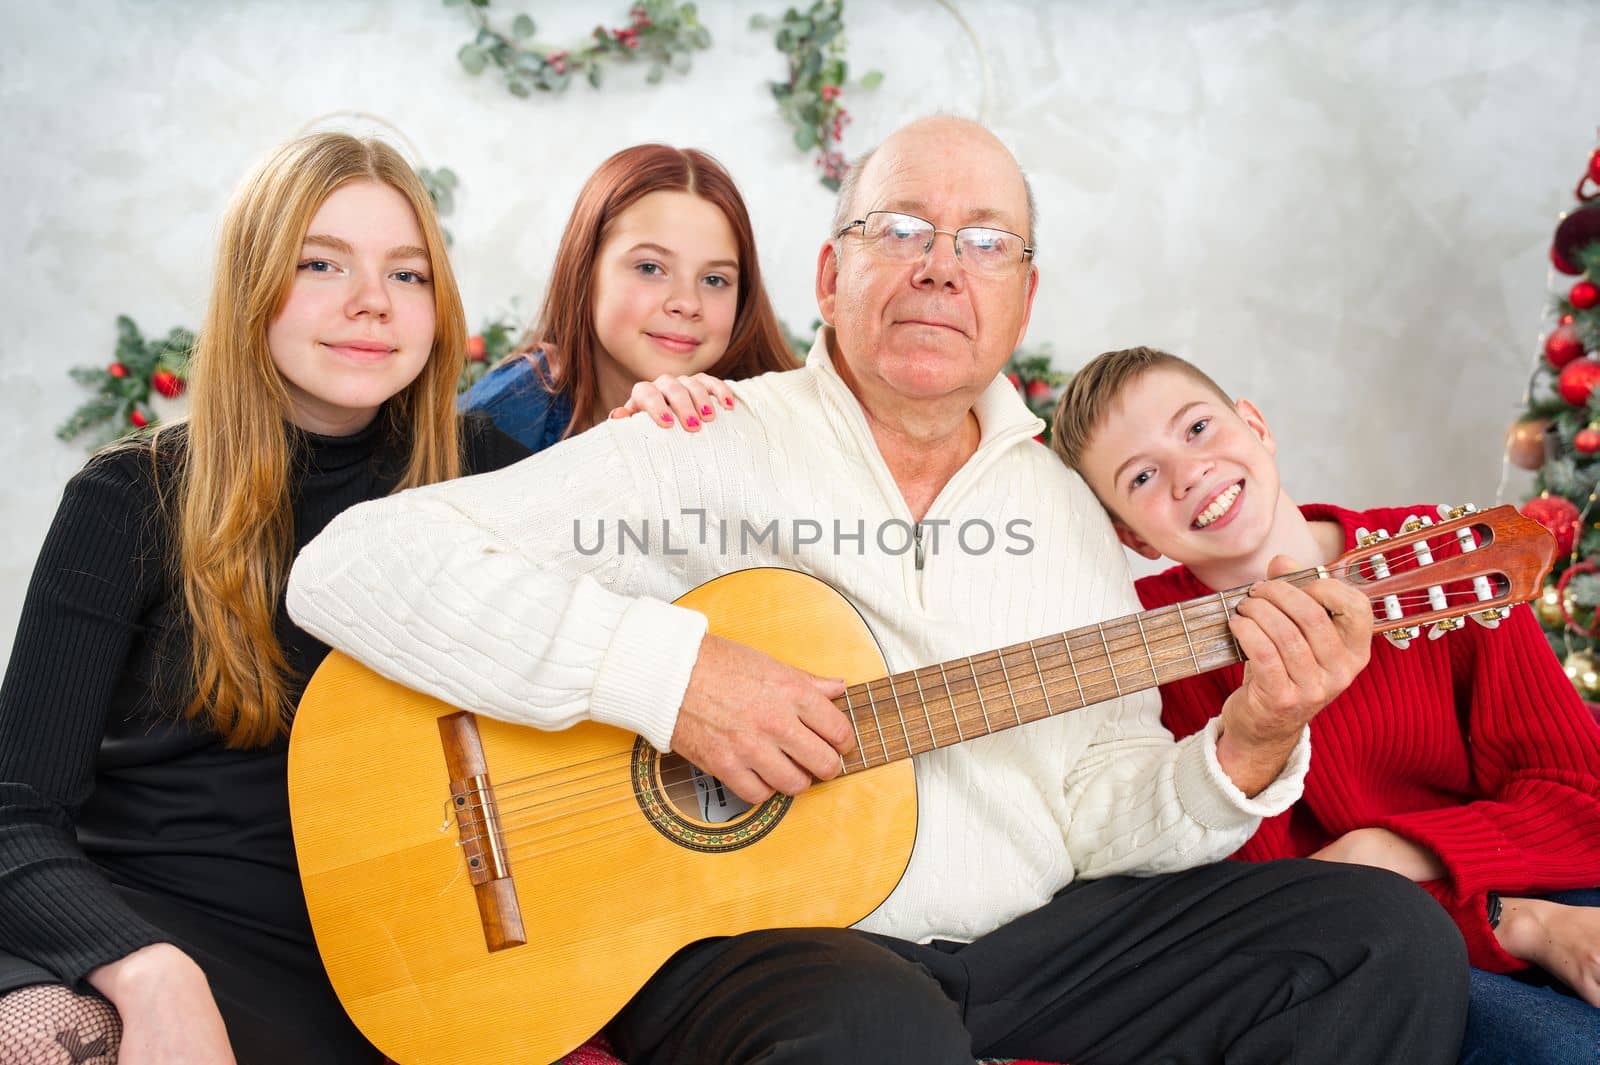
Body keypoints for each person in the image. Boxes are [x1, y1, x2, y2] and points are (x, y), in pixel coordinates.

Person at [287, 116, 1469, 1065]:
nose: (942, 267)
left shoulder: (1068, 516)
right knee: (872, 1029)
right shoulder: (702, 437)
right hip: (773, 949)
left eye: (984, 241)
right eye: (901, 227)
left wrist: (1251, 740)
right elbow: (351, 568)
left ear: (1023, 296)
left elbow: (1101, 799)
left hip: (1034, 947)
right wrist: (671, 678)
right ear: (831, 270)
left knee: (1380, 938)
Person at [0, 133, 535, 1065]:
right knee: (41, 1041)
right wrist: (147, 969)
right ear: (252, 286)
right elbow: (12, 808)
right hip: (140, 923)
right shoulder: (132, 495)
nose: (371, 300)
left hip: (377, 963)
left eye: (407, 275)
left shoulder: (489, 473)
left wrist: (678, 430)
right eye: (320, 263)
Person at [1053, 344, 1600, 1065]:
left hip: (1536, 875)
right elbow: (1275, 905)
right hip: (1386, 950)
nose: (1191, 474)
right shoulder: (1144, 651)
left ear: (1255, 424)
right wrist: (1512, 922)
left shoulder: (1444, 554)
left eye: (1196, 429)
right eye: (1144, 476)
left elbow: (1577, 799)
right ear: (1132, 536)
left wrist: (1388, 850)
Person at [460, 143, 797, 452]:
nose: (688, 303)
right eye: (650, 268)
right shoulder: (489, 429)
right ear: (585, 271)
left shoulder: (780, 428)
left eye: (714, 279)